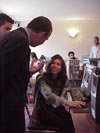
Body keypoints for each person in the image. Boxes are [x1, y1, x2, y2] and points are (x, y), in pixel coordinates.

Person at [0, 16, 52, 133]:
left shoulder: (18, 36)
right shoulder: (20, 39)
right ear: (42, 35)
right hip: (8, 106)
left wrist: (29, 72)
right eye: (45, 39)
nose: (43, 42)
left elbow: (12, 72)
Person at [30, 54, 86, 133]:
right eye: (53, 63)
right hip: (43, 110)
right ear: (49, 65)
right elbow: (48, 95)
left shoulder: (61, 78)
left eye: (58, 64)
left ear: (61, 68)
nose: (55, 66)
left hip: (55, 107)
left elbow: (66, 87)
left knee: (70, 121)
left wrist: (63, 93)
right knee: (62, 124)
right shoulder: (42, 78)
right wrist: (67, 102)